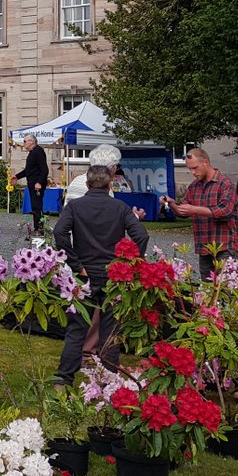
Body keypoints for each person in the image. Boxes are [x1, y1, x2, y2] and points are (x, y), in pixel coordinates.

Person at [52, 164, 150, 385]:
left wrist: (75, 263)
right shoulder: (120, 207)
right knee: (111, 328)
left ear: (87, 184)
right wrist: (129, 263)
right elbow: (141, 236)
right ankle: (108, 379)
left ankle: (64, 378)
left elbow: (59, 232)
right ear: (110, 184)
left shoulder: (75, 206)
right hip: (113, 275)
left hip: (84, 274)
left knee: (77, 328)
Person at [161, 147, 238, 280]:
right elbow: (183, 211)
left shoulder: (225, 184)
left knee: (228, 290)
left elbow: (226, 211)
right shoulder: (194, 186)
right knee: (207, 292)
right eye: (190, 169)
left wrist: (195, 209)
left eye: (195, 168)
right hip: (204, 248)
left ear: (206, 162)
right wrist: (172, 203)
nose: (192, 172)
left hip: (225, 246)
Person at [14, 133, 49, 234]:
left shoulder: (38, 151)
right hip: (32, 183)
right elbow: (28, 170)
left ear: (31, 142)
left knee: (37, 206)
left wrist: (39, 182)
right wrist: (17, 176)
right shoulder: (32, 153)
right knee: (35, 206)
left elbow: (44, 169)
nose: (23, 143)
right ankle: (37, 227)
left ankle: (39, 228)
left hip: (36, 185)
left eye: (25, 141)